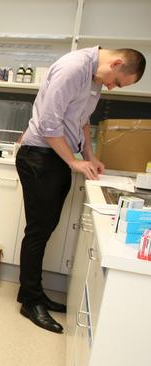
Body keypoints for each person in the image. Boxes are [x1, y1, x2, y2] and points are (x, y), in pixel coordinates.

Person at [16, 47, 146, 333]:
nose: (112, 87)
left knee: (47, 227)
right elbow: (50, 123)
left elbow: (82, 120)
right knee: (38, 231)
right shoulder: (73, 68)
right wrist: (73, 160)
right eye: (117, 81)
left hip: (57, 157)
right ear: (116, 63)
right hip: (40, 155)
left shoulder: (94, 77)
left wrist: (89, 154)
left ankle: (34, 294)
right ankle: (29, 301)